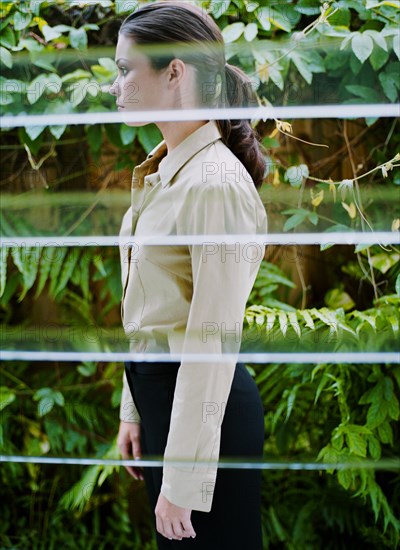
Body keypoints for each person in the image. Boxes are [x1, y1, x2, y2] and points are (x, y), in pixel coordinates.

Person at [109, 2, 268, 548]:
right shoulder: (163, 173)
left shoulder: (215, 183)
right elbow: (151, 314)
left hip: (205, 421)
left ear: (174, 72)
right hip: (166, 409)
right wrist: (134, 410)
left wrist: (183, 477)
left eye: (126, 69)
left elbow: (210, 339)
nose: (116, 86)